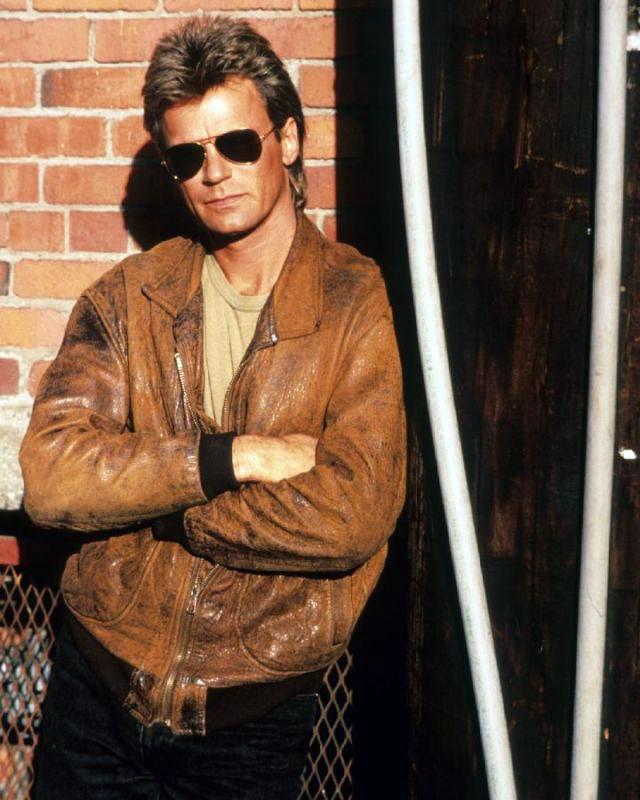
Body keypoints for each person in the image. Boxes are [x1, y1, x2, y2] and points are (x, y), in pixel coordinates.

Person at [20, 14, 406, 799]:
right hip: (93, 700)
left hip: (249, 722)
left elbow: (352, 513)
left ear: (286, 140)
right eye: (189, 156)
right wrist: (232, 459)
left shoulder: (352, 300)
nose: (215, 173)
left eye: (236, 144)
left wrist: (164, 514)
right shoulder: (129, 298)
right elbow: (53, 478)